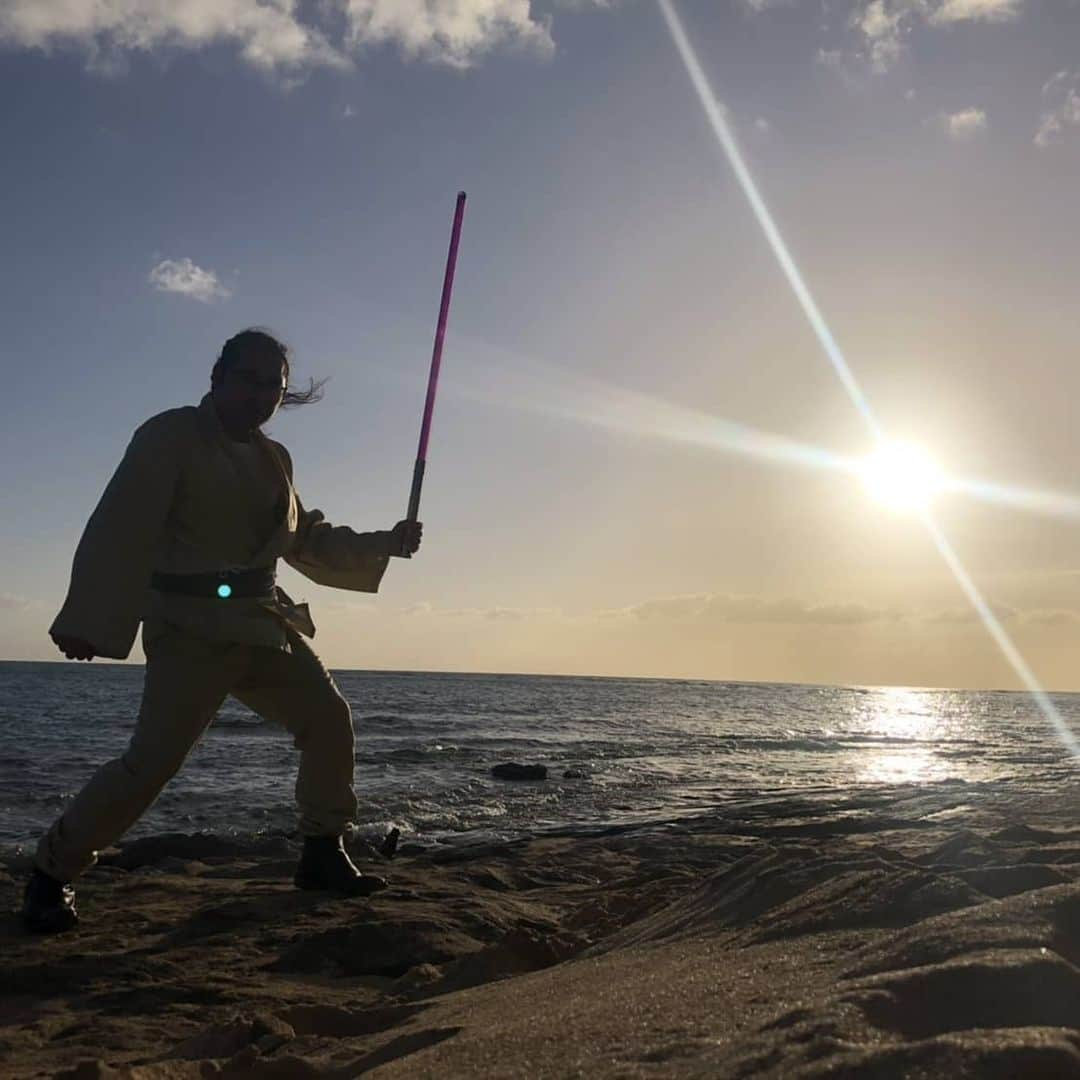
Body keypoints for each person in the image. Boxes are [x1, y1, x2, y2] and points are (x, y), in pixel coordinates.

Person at [23, 328, 422, 934]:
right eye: (250, 379)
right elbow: (119, 527)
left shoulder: (276, 459)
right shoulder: (169, 436)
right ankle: (50, 874)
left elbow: (304, 538)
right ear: (218, 378)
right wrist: (88, 621)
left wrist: (385, 543)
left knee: (328, 718)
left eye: (274, 386)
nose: (261, 395)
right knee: (150, 764)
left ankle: (321, 853)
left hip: (263, 623)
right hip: (188, 629)